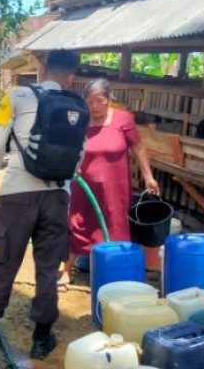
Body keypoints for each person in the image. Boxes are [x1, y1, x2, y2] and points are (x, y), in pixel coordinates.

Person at [0, 50, 81, 360]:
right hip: (57, 196)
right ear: (71, 77)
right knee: (47, 269)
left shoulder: (14, 95)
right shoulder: (77, 107)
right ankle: (42, 339)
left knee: (5, 264)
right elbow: (78, 158)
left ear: (42, 68)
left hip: (17, 194)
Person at [59, 78, 160, 291]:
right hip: (84, 187)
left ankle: (114, 271)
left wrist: (148, 176)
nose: (94, 107)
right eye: (90, 102)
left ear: (109, 98)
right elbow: (68, 147)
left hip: (116, 187)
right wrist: (71, 164)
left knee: (116, 225)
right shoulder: (80, 121)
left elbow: (139, 148)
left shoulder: (123, 119)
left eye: (100, 100)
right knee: (77, 224)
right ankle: (66, 272)